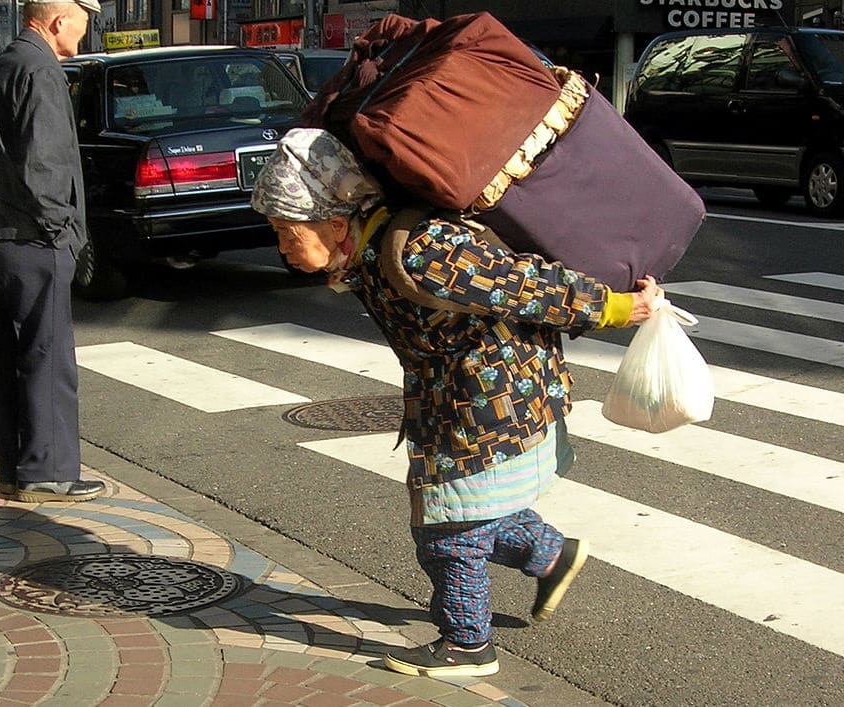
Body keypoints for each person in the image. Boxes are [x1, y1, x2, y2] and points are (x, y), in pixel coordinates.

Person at [250, 128, 661, 679]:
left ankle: (469, 644)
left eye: (285, 231)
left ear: (333, 221)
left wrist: (613, 307)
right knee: (470, 508)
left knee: (446, 526)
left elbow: (521, 285)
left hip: (489, 399)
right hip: (456, 398)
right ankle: (552, 556)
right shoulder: (369, 249)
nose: (281, 247)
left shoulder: (417, 249)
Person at [0, 0, 106, 504]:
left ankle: (15, 470)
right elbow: (45, 166)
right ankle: (47, 473)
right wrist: (65, 237)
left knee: (7, 357)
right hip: (33, 240)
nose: (84, 34)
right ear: (58, 19)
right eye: (82, 23)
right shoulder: (41, 71)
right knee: (48, 358)